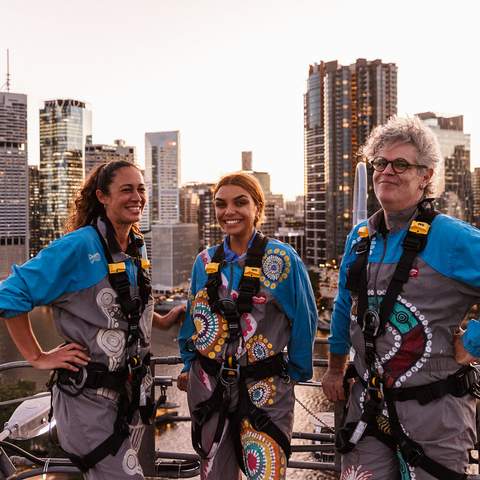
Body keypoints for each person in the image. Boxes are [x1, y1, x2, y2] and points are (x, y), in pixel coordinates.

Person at [0, 160, 184, 479]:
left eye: (141, 189)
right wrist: (37, 357)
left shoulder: (134, 245)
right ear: (102, 196)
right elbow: (10, 294)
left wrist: (163, 321)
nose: (136, 197)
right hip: (89, 404)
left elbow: (123, 306)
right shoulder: (80, 246)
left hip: (131, 398)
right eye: (126, 189)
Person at [322, 116, 480, 480]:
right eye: (380, 162)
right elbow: (345, 304)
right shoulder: (361, 238)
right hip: (367, 409)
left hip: (434, 413)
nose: (387, 171)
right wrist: (333, 367)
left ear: (426, 176)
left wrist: (472, 342)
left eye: (401, 164)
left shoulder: (451, 238)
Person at [177, 172, 318, 480]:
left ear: (258, 207)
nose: (229, 211)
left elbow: (305, 320)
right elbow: (192, 319)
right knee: (214, 473)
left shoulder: (282, 260)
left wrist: (293, 373)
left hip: (264, 386)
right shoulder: (205, 262)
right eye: (220, 204)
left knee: (265, 471)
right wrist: (189, 365)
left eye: (240, 202)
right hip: (209, 384)